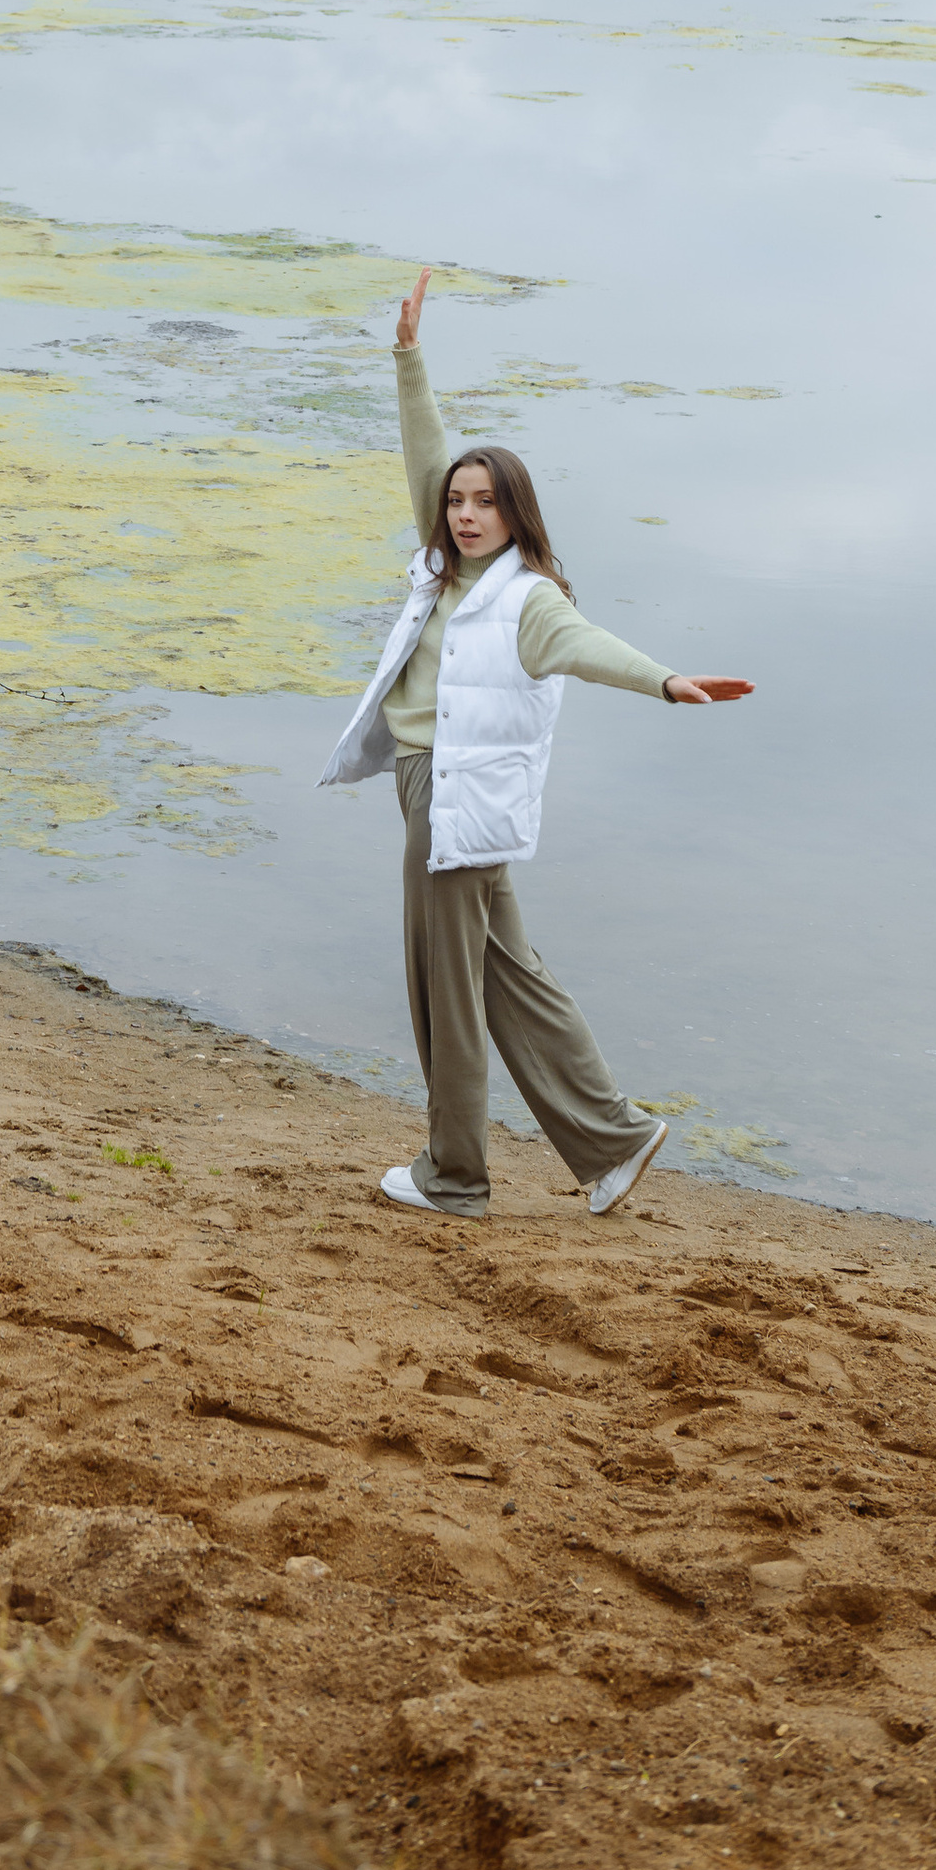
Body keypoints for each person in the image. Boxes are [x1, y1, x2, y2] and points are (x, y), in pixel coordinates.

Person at [319, 270, 752, 1221]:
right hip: (450, 792)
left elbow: (584, 647)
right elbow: (425, 450)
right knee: (509, 976)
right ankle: (614, 1137)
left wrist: (666, 680)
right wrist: (407, 358)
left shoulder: (526, 597)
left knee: (447, 992)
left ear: (516, 513)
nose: (466, 512)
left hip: (453, 799)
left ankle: (456, 1175)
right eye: (458, 500)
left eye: (486, 501)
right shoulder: (447, 571)